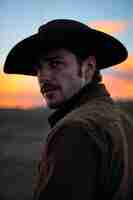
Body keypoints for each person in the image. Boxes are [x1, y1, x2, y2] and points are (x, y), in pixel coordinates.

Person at [3, 19, 133, 200]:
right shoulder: (123, 120)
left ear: (88, 68)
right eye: (38, 69)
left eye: (55, 64)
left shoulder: (76, 128)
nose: (43, 77)